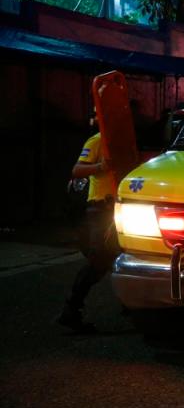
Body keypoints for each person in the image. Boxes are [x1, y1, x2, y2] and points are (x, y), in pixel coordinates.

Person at [56, 112, 118, 333]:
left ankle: (136, 306)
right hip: (100, 209)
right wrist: (102, 167)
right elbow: (77, 170)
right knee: (98, 261)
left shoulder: (121, 142)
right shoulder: (97, 141)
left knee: (118, 258)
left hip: (117, 210)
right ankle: (70, 310)